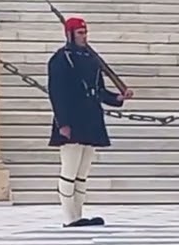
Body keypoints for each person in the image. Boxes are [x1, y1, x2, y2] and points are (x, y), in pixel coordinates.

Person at [48, 17, 124, 227]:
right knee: (70, 169)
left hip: (90, 118)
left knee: (82, 172)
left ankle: (79, 214)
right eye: (80, 33)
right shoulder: (61, 59)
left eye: (85, 33)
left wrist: (116, 99)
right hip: (71, 118)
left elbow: (98, 90)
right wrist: (63, 122)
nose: (84, 37)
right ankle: (69, 217)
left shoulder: (91, 59)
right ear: (70, 34)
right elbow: (57, 93)